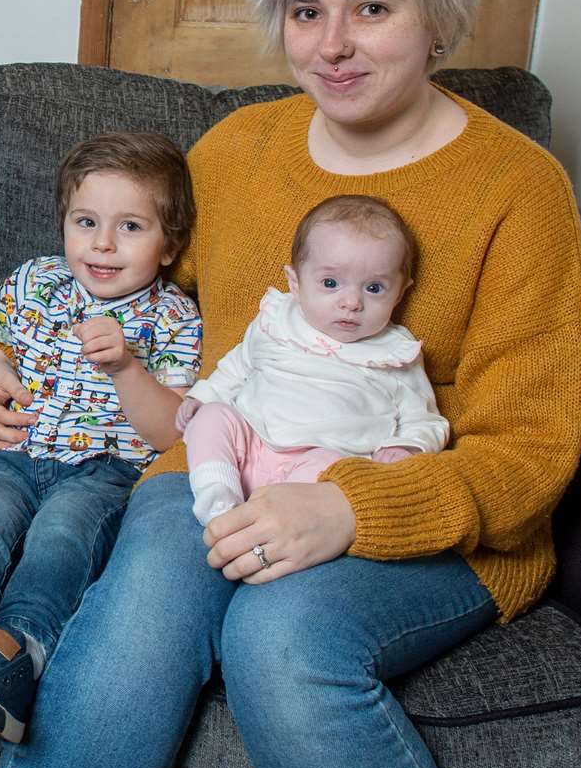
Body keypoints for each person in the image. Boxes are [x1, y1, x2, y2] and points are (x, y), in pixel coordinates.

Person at [0, 0, 581, 768]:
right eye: (308, 11)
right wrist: (6, 355)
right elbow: (112, 284)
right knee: (139, 622)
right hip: (220, 470)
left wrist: (353, 509)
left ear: (441, 19)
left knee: (278, 640)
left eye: (373, 9)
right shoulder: (236, 152)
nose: (333, 43)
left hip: (418, 504)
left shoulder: (522, 191)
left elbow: (532, 453)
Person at [0, 132, 202, 743]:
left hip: (104, 472)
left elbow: (171, 432)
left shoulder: (174, 317)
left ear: (171, 245)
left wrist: (127, 369)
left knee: (59, 541)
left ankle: (10, 656)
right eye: (86, 221)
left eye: (131, 226)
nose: (103, 243)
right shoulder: (36, 282)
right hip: (15, 456)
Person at [182, 194, 448, 527]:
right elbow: (237, 366)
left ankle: (275, 522)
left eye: (375, 288)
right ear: (295, 282)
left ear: (401, 291)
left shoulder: (394, 353)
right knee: (211, 418)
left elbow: (423, 419)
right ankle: (218, 498)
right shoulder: (276, 320)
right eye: (330, 283)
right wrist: (204, 395)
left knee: (337, 471)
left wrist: (407, 447)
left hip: (319, 466)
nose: (351, 302)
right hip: (251, 442)